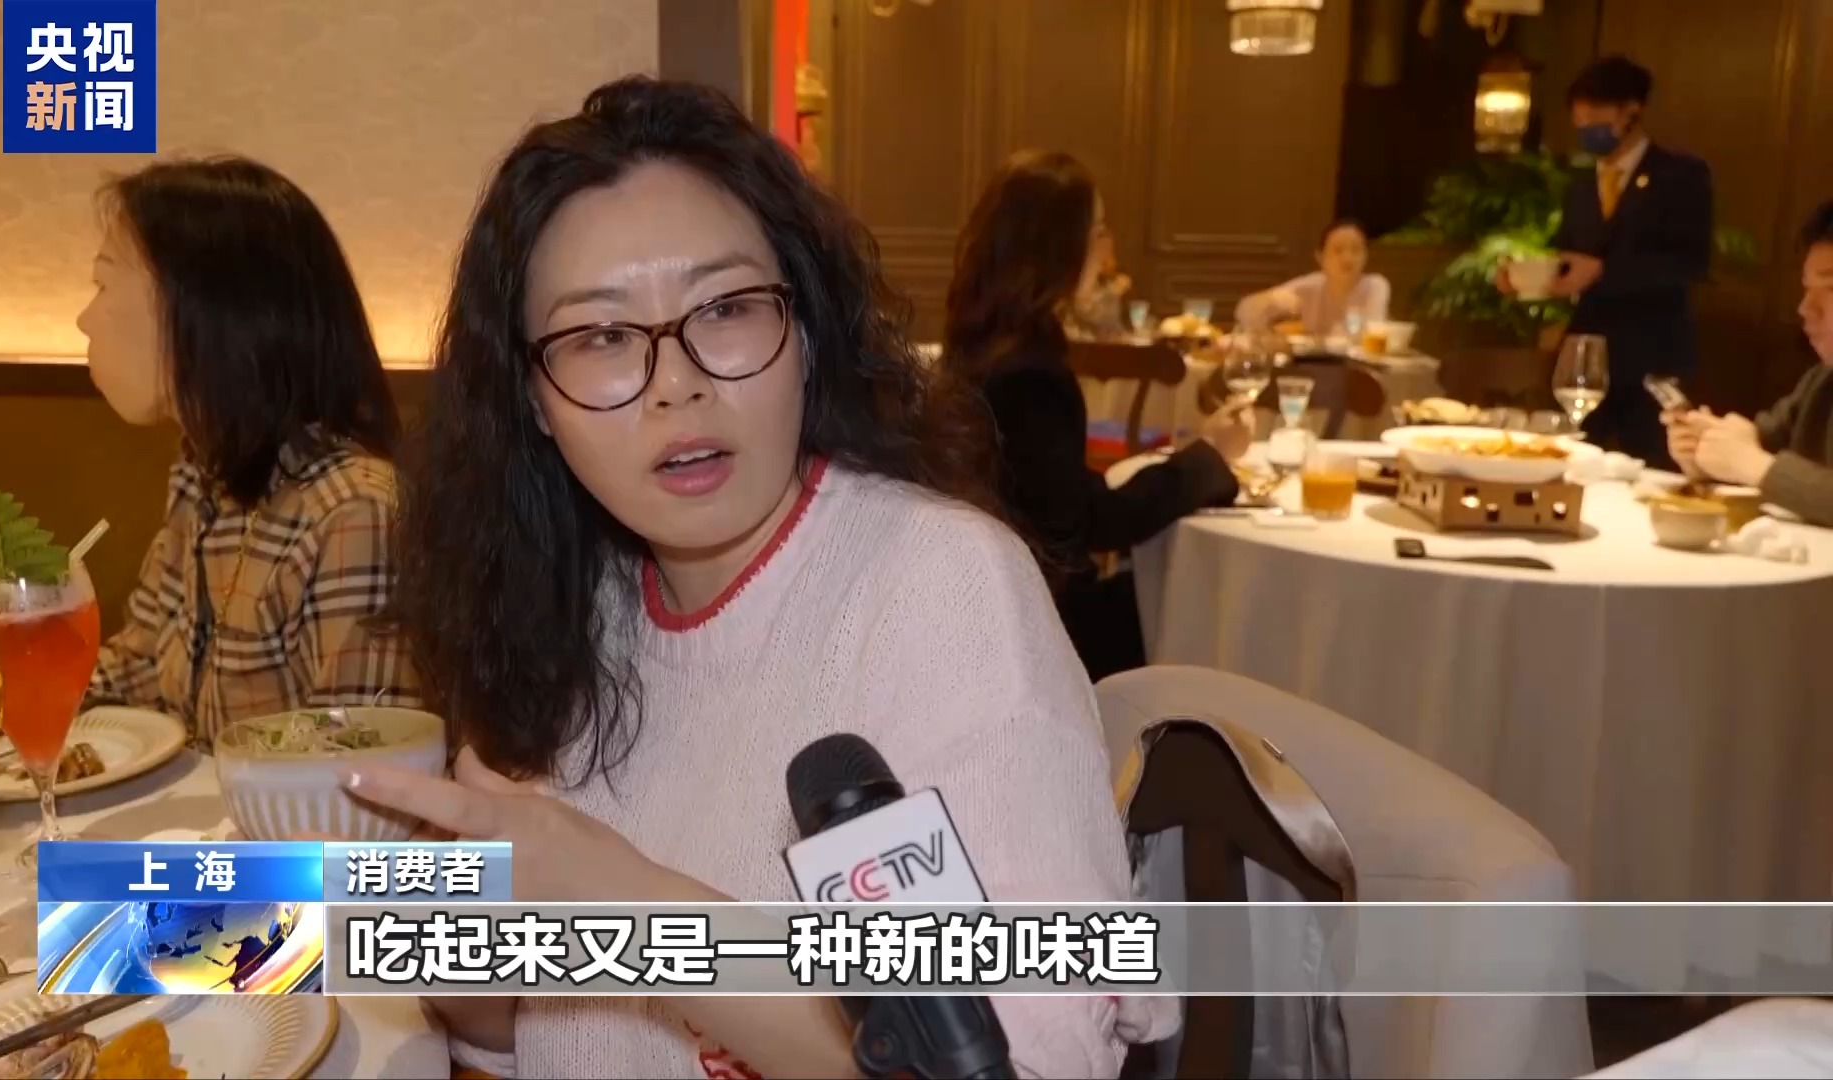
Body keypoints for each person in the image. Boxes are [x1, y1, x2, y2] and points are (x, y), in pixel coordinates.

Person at [353, 80, 1175, 1078]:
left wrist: (625, 904)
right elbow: (517, 1039)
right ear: (532, 398)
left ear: (807, 334)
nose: (678, 384)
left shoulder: (941, 593)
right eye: (601, 336)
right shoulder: (574, 604)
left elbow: (1022, 1061)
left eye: (729, 309)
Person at [78, 156, 420, 741]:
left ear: (201, 308)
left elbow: (360, 768)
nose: (85, 319)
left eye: (103, 283)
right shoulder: (201, 477)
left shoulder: (353, 514)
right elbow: (140, 667)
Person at [941, 149, 1251, 682]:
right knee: (1210, 604)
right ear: (1062, 246)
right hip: (1042, 629)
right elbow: (1087, 524)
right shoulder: (1030, 373)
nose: (1105, 249)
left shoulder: (980, 338)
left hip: (988, 602)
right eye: (1099, 231)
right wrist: (1209, 458)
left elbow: (1047, 492)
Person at [1505, 55, 1713, 467]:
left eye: (1597, 119)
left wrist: (1605, 271)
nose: (1587, 130)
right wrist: (1527, 278)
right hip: (1587, 352)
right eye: (1581, 121)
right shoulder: (1581, 185)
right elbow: (1570, 257)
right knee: (1570, 460)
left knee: (1652, 466)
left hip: (1653, 350)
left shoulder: (1681, 175)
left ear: (1631, 111)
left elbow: (1690, 262)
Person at [1664, 201, 1833, 527]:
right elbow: (1760, 442)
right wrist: (1705, 448)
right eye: (1806, 289)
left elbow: (1756, 462)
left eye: (1830, 289)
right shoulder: (1821, 381)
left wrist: (1754, 466)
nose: (1805, 308)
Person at [1236, 219, 1391, 337]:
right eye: (1338, 250)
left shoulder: (1375, 286)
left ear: (1366, 256)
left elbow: (1372, 334)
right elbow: (1244, 312)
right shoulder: (1310, 286)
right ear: (1320, 258)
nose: (1347, 258)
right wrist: (1268, 299)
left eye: (1356, 250)